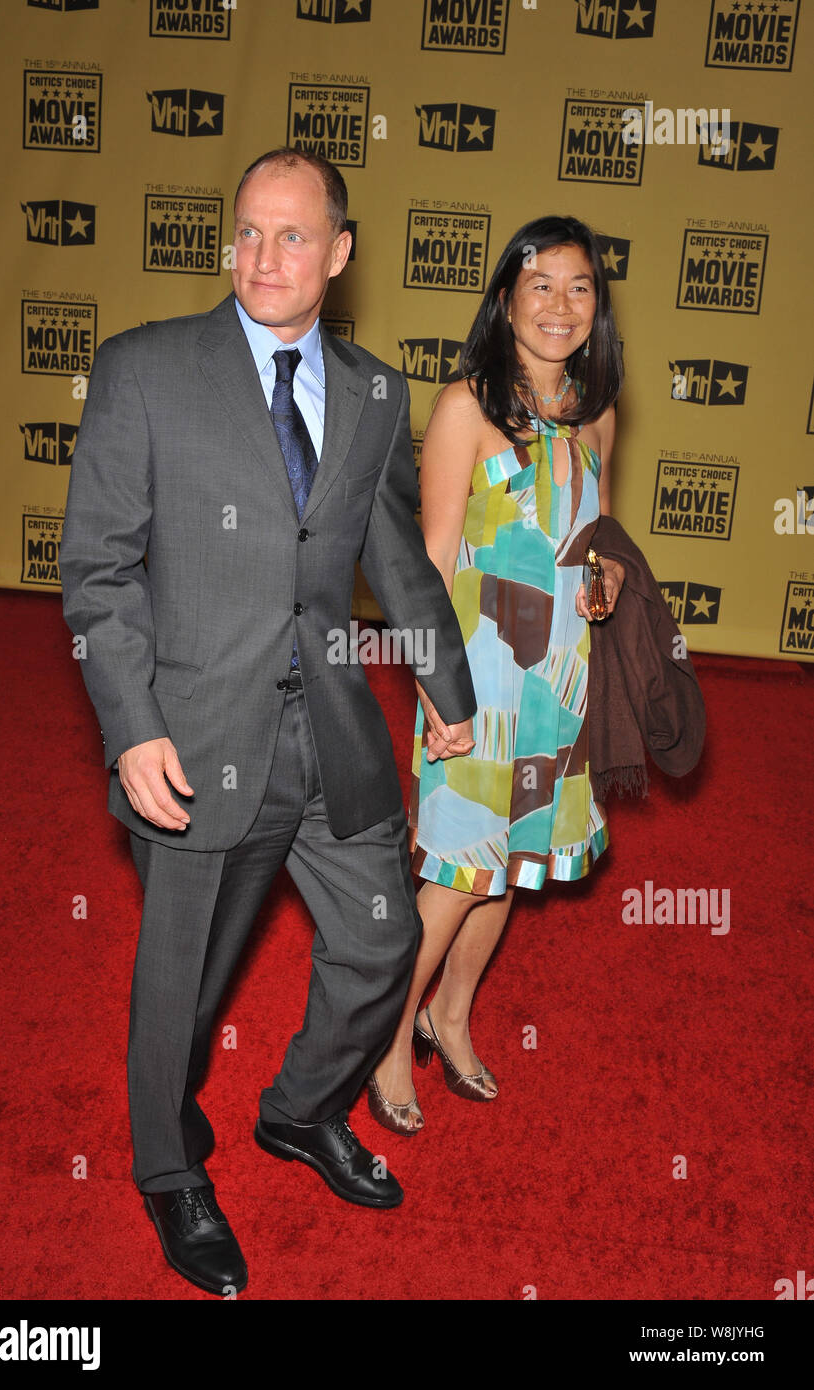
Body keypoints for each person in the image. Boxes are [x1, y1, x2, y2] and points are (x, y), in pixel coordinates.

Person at [59, 147, 476, 1296]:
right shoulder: (145, 370)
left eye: (293, 236)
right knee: (181, 981)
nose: (264, 257)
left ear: (339, 254)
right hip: (191, 741)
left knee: (382, 944)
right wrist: (133, 723)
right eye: (247, 231)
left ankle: (296, 1110)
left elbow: (397, 563)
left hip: (331, 729)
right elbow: (96, 573)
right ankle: (164, 1169)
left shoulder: (378, 393)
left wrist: (448, 689)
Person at [367, 215, 625, 1135]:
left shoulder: (594, 413)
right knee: (453, 878)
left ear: (598, 306)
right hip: (476, 683)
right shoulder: (465, 408)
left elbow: (592, 539)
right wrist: (438, 696)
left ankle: (452, 1015)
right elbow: (428, 565)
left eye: (580, 287)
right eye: (541, 284)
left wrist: (605, 578)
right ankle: (387, 1042)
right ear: (507, 296)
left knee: (508, 872)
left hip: (558, 684)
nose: (560, 306)